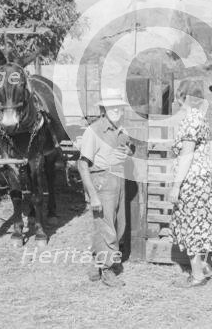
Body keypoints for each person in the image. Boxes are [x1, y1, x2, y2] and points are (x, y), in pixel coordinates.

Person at [167, 84, 212, 288]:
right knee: (199, 224)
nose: (176, 102)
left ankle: (197, 275)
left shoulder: (191, 119)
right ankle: (202, 266)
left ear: (183, 98)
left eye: (178, 98)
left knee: (192, 225)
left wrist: (176, 186)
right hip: (202, 181)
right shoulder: (199, 116)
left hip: (191, 181)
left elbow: (186, 155)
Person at [78, 88, 134, 287]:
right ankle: (108, 270)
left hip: (118, 179)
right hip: (101, 180)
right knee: (107, 227)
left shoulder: (122, 130)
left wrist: (129, 150)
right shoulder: (93, 131)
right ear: (103, 109)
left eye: (119, 107)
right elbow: (82, 164)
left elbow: (126, 148)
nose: (116, 110)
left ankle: (97, 263)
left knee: (116, 225)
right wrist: (93, 195)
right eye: (112, 107)